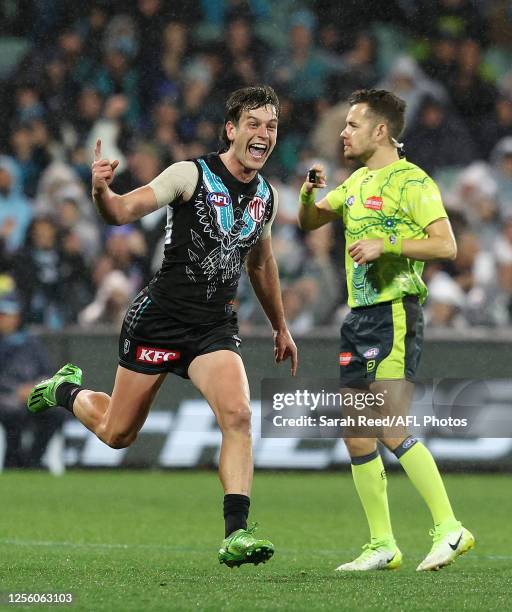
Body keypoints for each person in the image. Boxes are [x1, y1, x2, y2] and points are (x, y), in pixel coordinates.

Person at [27, 85, 297, 568]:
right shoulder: (188, 174)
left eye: (271, 125)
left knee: (237, 416)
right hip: (158, 321)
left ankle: (236, 532)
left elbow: (261, 264)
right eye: (253, 124)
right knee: (117, 434)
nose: (263, 133)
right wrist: (100, 191)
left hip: (213, 327)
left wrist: (281, 325)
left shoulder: (266, 196)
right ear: (231, 130)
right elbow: (122, 212)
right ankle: (66, 391)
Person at [298, 89, 474, 572]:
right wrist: (309, 193)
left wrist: (387, 243)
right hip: (358, 317)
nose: (343, 132)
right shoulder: (354, 183)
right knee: (357, 433)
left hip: (394, 311)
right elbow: (310, 221)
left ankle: (449, 527)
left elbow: (446, 245)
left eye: (352, 124)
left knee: (388, 425)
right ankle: (382, 544)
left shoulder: (411, 181)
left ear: (381, 131)